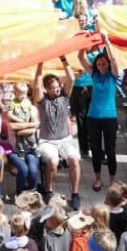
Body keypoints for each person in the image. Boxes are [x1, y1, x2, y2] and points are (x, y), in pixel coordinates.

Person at [33, 59, 82, 210]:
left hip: (65, 139)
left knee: (74, 159)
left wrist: (64, 59)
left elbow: (72, 78)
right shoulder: (42, 100)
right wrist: (40, 65)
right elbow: (36, 84)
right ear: (47, 89)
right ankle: (48, 191)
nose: (58, 89)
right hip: (47, 141)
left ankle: (75, 194)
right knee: (53, 161)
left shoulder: (64, 96)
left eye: (58, 86)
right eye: (54, 88)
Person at [79, 47, 120, 191]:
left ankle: (113, 181)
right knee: (95, 150)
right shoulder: (94, 75)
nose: (101, 66)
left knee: (110, 151)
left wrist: (107, 41)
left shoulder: (113, 75)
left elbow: (114, 59)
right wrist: (83, 44)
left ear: (108, 64)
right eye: (99, 64)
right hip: (93, 117)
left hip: (110, 118)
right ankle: (97, 178)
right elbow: (81, 58)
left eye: (104, 63)